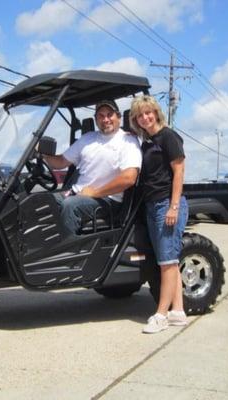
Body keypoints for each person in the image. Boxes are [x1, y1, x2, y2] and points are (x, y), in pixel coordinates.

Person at [129, 95, 189, 334]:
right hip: (153, 204)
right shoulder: (147, 140)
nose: (144, 118)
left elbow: (179, 170)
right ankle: (178, 312)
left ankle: (161, 314)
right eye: (139, 115)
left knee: (167, 262)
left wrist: (173, 207)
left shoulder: (168, 136)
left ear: (156, 112)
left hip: (167, 204)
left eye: (148, 112)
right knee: (168, 260)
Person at [42, 100, 142, 235]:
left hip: (107, 200)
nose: (105, 119)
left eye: (109, 115)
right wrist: (41, 155)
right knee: (41, 202)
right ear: (96, 119)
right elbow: (61, 162)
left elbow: (129, 178)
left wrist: (95, 193)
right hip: (77, 193)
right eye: (101, 116)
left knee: (70, 206)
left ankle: (69, 252)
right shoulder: (87, 138)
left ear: (118, 117)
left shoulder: (128, 141)